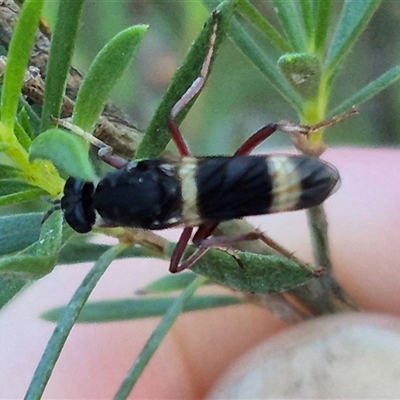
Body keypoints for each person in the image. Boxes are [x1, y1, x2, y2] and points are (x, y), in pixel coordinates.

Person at [0, 149, 399, 398]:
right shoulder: (133, 172)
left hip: (192, 204)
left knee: (195, 250)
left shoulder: (135, 217)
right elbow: (127, 158)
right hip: (186, 177)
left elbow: (172, 249)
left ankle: (273, 254)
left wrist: (207, 247)